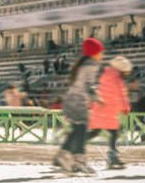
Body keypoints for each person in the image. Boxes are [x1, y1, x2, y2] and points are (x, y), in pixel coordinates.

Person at [53, 38, 105, 175]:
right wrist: (97, 97)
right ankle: (78, 161)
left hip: (72, 101)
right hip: (77, 102)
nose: (102, 54)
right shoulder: (92, 65)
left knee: (78, 130)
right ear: (94, 53)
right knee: (81, 129)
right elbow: (89, 85)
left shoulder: (84, 64)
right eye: (100, 51)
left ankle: (65, 156)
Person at [88, 56, 133, 170]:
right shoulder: (117, 79)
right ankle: (112, 158)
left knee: (95, 132)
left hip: (100, 110)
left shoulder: (106, 75)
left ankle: (74, 147)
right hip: (109, 112)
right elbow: (121, 95)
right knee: (114, 133)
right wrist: (126, 108)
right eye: (126, 72)